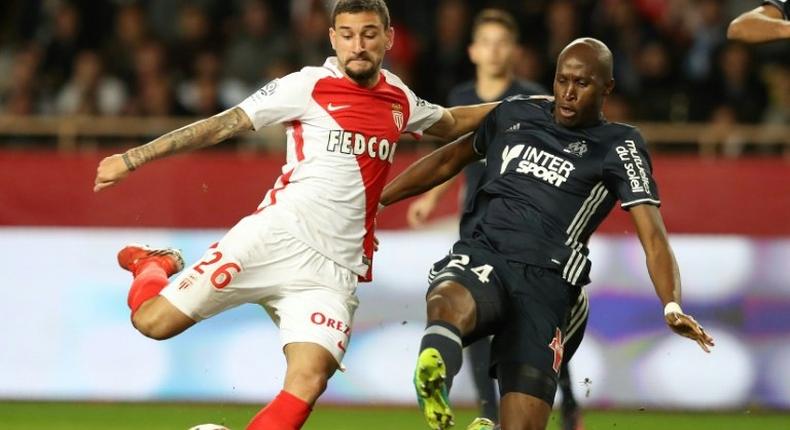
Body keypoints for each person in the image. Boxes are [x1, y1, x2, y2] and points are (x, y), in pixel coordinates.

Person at [92, 1, 496, 429]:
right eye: (347, 34)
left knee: (308, 381)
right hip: (272, 239)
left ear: (389, 38)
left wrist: (518, 107)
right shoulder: (307, 85)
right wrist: (133, 158)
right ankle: (150, 264)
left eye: (369, 34)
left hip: (333, 271)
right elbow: (224, 124)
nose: (357, 45)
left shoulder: (398, 97)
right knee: (152, 323)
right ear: (332, 38)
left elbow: (450, 122)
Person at [380, 37, 715, 430]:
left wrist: (671, 304)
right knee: (447, 301)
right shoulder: (516, 114)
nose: (568, 93)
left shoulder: (619, 145)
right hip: (487, 250)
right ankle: (434, 369)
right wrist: (378, 201)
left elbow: (653, 235)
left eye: (582, 84)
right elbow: (450, 158)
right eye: (561, 81)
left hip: (547, 282)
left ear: (607, 87)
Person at [406, 9, 586, 430]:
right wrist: (430, 200)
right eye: (485, 42)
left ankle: (570, 405)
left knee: (542, 327)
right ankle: (489, 413)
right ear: (472, 50)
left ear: (514, 51)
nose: (493, 50)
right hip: (480, 230)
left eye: (501, 42)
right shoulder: (463, 96)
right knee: (471, 324)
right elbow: (451, 154)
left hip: (532, 239)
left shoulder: (534, 98)